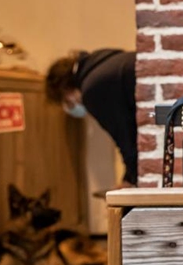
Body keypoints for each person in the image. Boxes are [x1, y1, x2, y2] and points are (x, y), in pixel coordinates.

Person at [45, 49, 138, 187]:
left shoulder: (93, 89)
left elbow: (126, 140)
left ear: (66, 91)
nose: (69, 106)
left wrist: (130, 183)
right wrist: (128, 177)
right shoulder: (103, 62)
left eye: (66, 101)